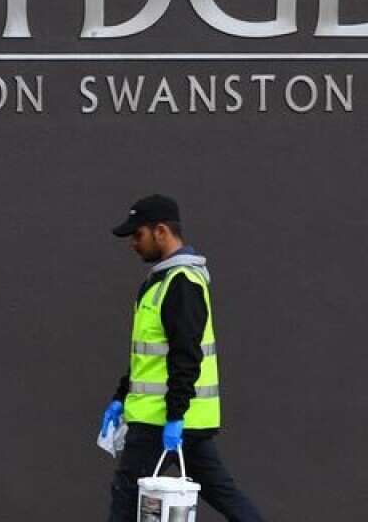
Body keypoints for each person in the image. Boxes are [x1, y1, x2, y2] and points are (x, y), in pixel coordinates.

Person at [101, 194, 268, 522]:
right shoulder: (161, 282)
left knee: (126, 499)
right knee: (223, 493)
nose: (133, 243)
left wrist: (174, 416)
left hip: (163, 419)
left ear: (161, 231)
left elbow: (186, 356)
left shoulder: (181, 284)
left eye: (138, 235)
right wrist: (121, 396)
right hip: (173, 418)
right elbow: (149, 355)